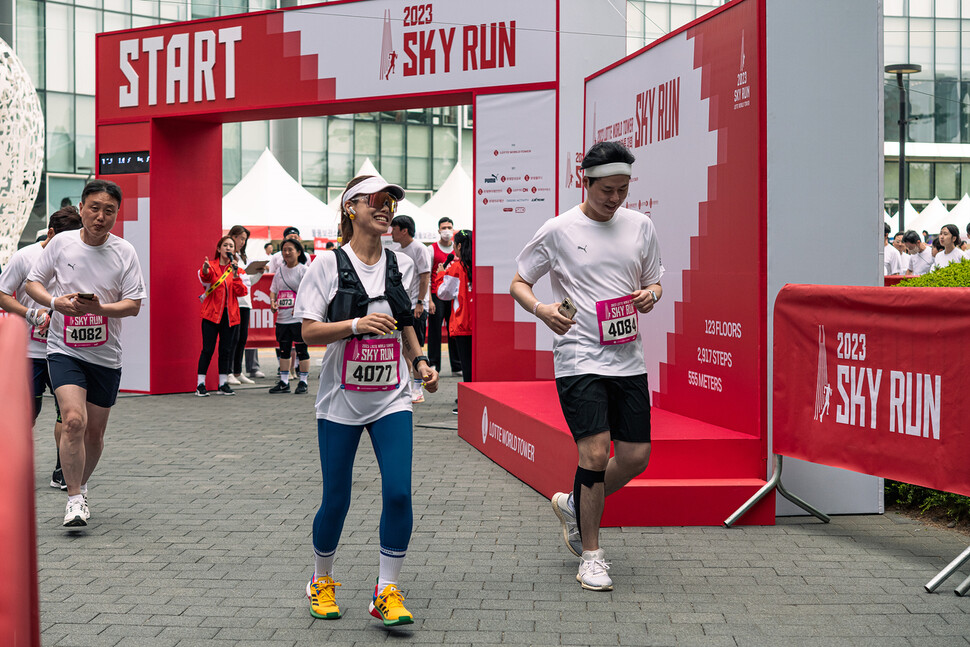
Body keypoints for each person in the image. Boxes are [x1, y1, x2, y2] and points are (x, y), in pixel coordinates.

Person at [510, 141, 663, 592]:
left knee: (635, 457)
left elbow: (654, 281)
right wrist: (542, 310)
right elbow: (519, 281)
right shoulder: (558, 229)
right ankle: (592, 555)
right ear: (587, 182)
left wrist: (650, 296)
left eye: (623, 189)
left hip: (627, 357)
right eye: (607, 190)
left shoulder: (641, 226)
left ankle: (575, 504)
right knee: (595, 453)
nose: (615, 199)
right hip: (578, 356)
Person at [295, 174, 438, 626]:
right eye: (376, 200)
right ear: (350, 208)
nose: (386, 208)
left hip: (391, 396)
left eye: (392, 201)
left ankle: (386, 590)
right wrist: (355, 326)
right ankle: (320, 579)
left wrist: (420, 363)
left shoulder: (402, 263)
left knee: (398, 492)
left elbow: (403, 319)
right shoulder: (326, 265)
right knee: (336, 497)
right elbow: (309, 330)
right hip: (340, 400)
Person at [25, 179, 147, 528]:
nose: (100, 216)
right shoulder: (61, 244)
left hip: (106, 355)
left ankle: (81, 484)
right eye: (94, 208)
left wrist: (101, 309)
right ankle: (74, 499)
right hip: (64, 348)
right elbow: (34, 282)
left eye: (109, 211)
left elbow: (134, 305)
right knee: (73, 421)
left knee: (94, 433)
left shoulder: (124, 251)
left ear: (116, 215)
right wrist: (56, 302)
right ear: (81, 209)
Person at [0, 205, 83, 490]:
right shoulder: (25, 257)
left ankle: (62, 469)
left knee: (69, 413)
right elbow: (1, 294)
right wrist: (30, 313)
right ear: (50, 233)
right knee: (27, 414)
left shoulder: (77, 257)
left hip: (63, 350)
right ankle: (14, 466)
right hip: (29, 352)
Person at [196, 236, 248, 396]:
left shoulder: (238, 270)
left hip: (230, 316)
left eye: (231, 246)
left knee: (226, 349)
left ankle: (223, 384)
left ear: (234, 250)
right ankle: (200, 384)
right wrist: (204, 270)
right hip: (211, 315)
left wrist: (236, 274)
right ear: (219, 249)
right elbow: (206, 278)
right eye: (225, 245)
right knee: (208, 349)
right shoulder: (211, 266)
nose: (228, 248)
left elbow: (242, 292)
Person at [390, 214, 432, 403]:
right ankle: (405, 385)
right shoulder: (397, 250)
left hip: (415, 305)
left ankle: (418, 388)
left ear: (404, 230)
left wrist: (420, 302)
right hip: (401, 306)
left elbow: (424, 277)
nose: (391, 232)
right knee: (402, 348)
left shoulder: (419, 249)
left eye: (394, 229)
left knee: (415, 349)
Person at [437, 229, 473, 414]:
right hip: (480, 325)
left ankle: (467, 403)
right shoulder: (479, 265)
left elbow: (443, 293)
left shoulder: (456, 267)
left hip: (462, 323)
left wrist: (441, 274)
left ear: (459, 246)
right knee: (476, 365)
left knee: (467, 365)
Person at [269, 238, 310, 394]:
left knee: (301, 350)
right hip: (282, 318)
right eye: (284, 250)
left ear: (298, 252)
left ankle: (303, 382)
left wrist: (300, 307)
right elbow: (273, 289)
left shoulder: (303, 270)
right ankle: (284, 382)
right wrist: (273, 302)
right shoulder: (279, 271)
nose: (286, 253)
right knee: (284, 350)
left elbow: (309, 292)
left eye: (290, 250)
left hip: (298, 319)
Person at [427, 217, 462, 375]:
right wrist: (428, 299)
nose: (447, 230)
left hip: (453, 296)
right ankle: (434, 364)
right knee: (434, 330)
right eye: (444, 227)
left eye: (449, 227)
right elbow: (426, 275)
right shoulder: (432, 249)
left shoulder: (457, 250)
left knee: (453, 329)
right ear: (439, 230)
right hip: (436, 295)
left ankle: (457, 365)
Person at [227, 226, 256, 386]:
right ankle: (229, 371)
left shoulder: (244, 257)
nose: (242, 242)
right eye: (240, 238)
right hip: (234, 301)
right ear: (232, 236)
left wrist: (258, 272)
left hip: (246, 302)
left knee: (242, 338)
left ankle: (237, 371)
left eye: (245, 239)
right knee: (233, 337)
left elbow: (249, 282)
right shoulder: (230, 257)